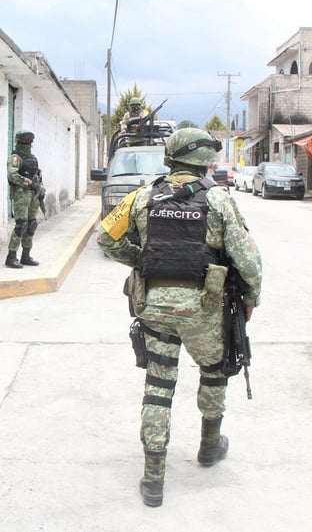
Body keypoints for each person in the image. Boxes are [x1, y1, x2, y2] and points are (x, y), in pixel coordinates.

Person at [97, 127, 263, 507]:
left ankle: (153, 479)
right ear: (206, 162)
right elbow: (248, 261)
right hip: (205, 309)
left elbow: (106, 238)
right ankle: (209, 447)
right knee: (215, 372)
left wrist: (142, 259)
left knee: (158, 387)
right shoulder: (219, 200)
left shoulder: (141, 197)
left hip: (155, 307)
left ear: (170, 156)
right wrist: (251, 297)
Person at [5, 130, 44, 269]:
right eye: (25, 140)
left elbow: (38, 176)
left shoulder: (33, 158)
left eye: (29, 141)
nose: (28, 143)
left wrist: (41, 188)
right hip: (21, 194)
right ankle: (11, 256)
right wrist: (28, 182)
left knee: (32, 224)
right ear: (19, 141)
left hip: (33, 195)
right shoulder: (15, 158)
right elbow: (12, 175)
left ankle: (26, 255)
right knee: (21, 225)